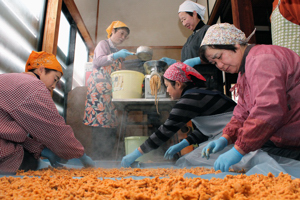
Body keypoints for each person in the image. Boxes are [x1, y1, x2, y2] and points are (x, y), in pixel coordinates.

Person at [199, 23, 300, 172]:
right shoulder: (244, 71)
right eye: (214, 63)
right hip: (284, 137)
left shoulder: (262, 60)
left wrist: (239, 149)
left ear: (235, 45)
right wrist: (226, 137)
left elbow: (269, 110)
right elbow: (242, 112)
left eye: (219, 57)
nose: (219, 65)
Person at [121, 62, 236, 167]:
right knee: (189, 159)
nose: (167, 91)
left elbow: (165, 131)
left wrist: (136, 153)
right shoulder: (200, 93)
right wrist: (184, 143)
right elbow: (209, 129)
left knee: (189, 161)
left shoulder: (190, 99)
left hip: (235, 137)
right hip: (224, 136)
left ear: (178, 84)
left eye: (167, 86)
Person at [0, 51, 94, 173]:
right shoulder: (34, 86)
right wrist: (80, 154)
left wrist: (40, 149)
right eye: (55, 79)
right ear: (41, 70)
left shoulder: (8, 79)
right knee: (29, 164)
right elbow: (54, 129)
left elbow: (7, 131)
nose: (54, 86)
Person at [83, 21, 133, 160]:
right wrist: (115, 56)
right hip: (98, 92)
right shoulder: (103, 44)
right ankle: (98, 160)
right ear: (112, 31)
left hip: (112, 93)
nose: (123, 37)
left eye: (125, 36)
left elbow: (120, 72)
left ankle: (106, 161)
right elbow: (98, 61)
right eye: (121, 33)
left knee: (110, 126)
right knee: (99, 126)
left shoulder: (118, 52)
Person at [160, 0, 223, 91]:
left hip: (208, 82)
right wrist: (175, 62)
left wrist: (196, 60)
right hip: (193, 83)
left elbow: (216, 55)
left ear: (194, 14)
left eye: (184, 19)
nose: (184, 24)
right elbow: (187, 61)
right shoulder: (190, 39)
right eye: (181, 21)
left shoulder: (208, 31)